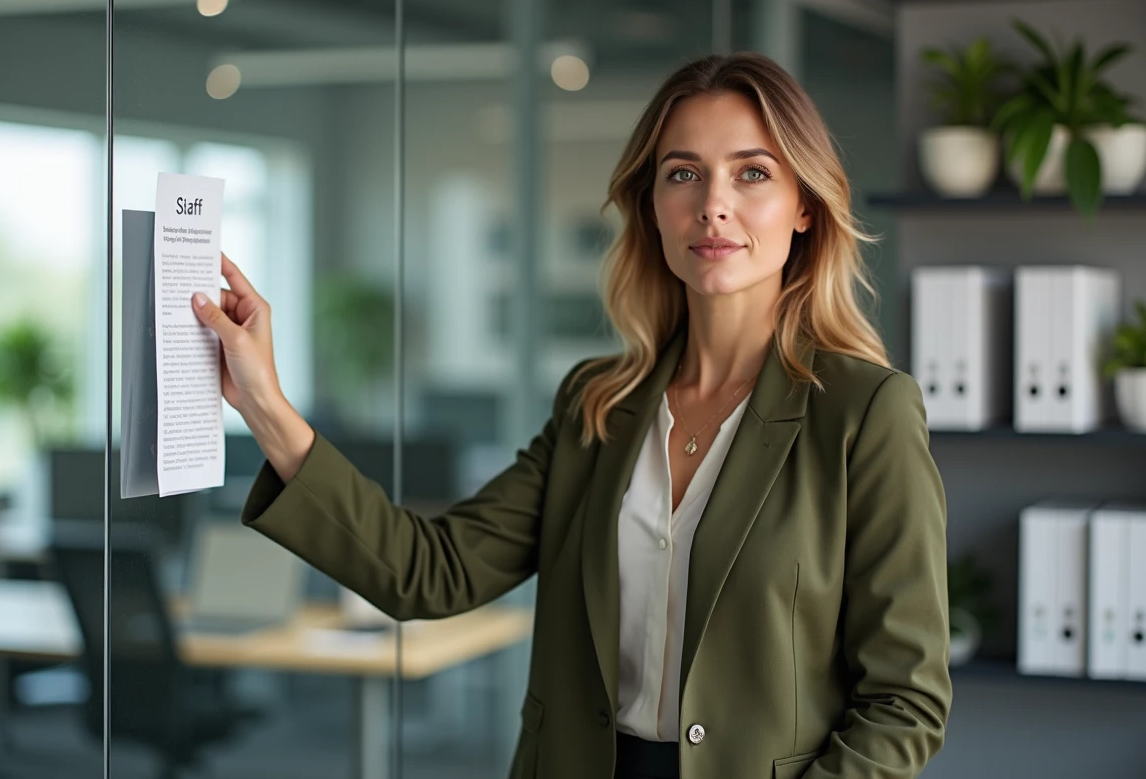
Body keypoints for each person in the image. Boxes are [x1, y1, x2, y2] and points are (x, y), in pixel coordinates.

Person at [191, 52, 951, 779]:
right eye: (682, 173)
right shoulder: (601, 405)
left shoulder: (864, 413)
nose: (714, 203)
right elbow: (428, 574)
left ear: (806, 210)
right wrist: (265, 403)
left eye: (752, 173)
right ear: (652, 207)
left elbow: (904, 701)